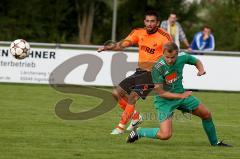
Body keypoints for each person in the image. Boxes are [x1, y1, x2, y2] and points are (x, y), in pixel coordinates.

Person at [127, 42, 232, 147]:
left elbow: (196, 61)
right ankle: (139, 132)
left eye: (172, 57)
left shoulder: (183, 57)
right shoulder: (158, 68)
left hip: (181, 95)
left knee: (206, 114)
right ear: (163, 53)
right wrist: (180, 96)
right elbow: (161, 93)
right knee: (165, 135)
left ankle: (215, 143)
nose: (169, 60)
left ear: (177, 53)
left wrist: (201, 70)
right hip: (164, 101)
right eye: (167, 57)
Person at [97, 10, 172, 135]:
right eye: (147, 21)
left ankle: (120, 127)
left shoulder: (165, 37)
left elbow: (172, 56)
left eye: (152, 21)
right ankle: (136, 116)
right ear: (144, 22)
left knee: (133, 96)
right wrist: (106, 48)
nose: (149, 24)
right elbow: (122, 45)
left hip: (153, 74)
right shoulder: (138, 32)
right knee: (116, 93)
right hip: (139, 72)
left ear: (158, 23)